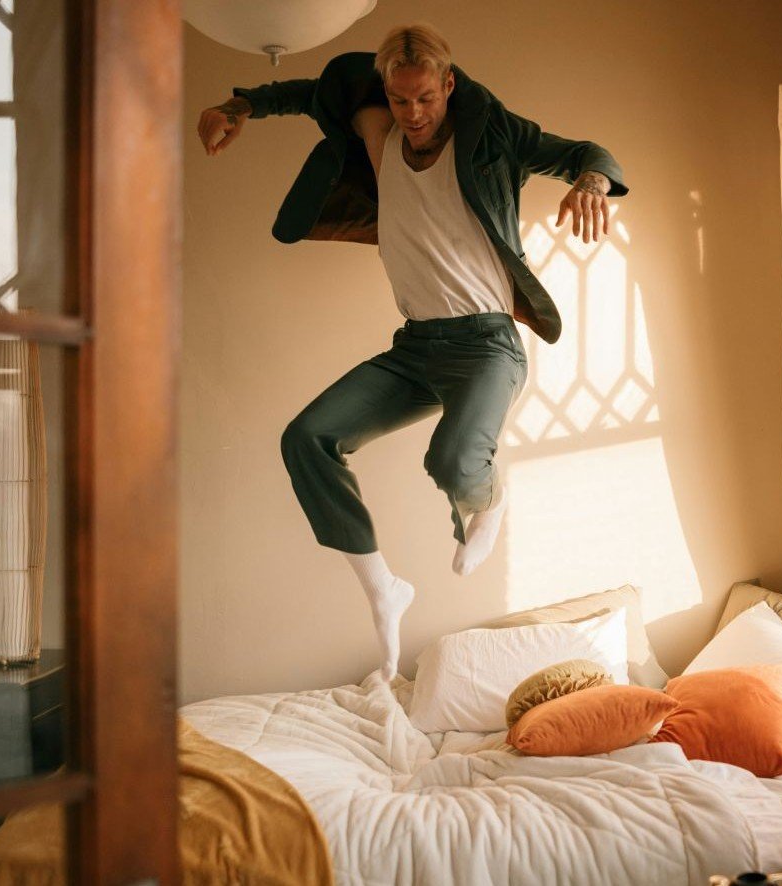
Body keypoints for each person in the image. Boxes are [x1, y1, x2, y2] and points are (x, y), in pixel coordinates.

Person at [195, 23, 629, 681]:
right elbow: (310, 93)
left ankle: (491, 495)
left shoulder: (492, 137)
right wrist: (236, 108)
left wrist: (593, 183)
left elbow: (585, 152)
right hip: (417, 348)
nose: (415, 114)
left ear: (448, 85)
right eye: (402, 101)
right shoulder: (378, 134)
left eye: (426, 98)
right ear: (387, 96)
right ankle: (382, 586)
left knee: (453, 463)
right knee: (306, 437)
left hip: (487, 346)